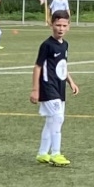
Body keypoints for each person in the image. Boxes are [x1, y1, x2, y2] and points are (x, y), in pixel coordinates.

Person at [30, 10, 78, 166]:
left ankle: (42, 153)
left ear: (69, 26)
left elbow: (62, 66)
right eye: (58, 25)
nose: (61, 28)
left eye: (64, 25)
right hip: (47, 86)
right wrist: (35, 89)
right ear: (51, 25)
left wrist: (71, 82)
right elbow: (37, 67)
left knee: (51, 120)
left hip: (59, 87)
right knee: (58, 118)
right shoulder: (47, 45)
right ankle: (56, 153)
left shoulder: (65, 45)